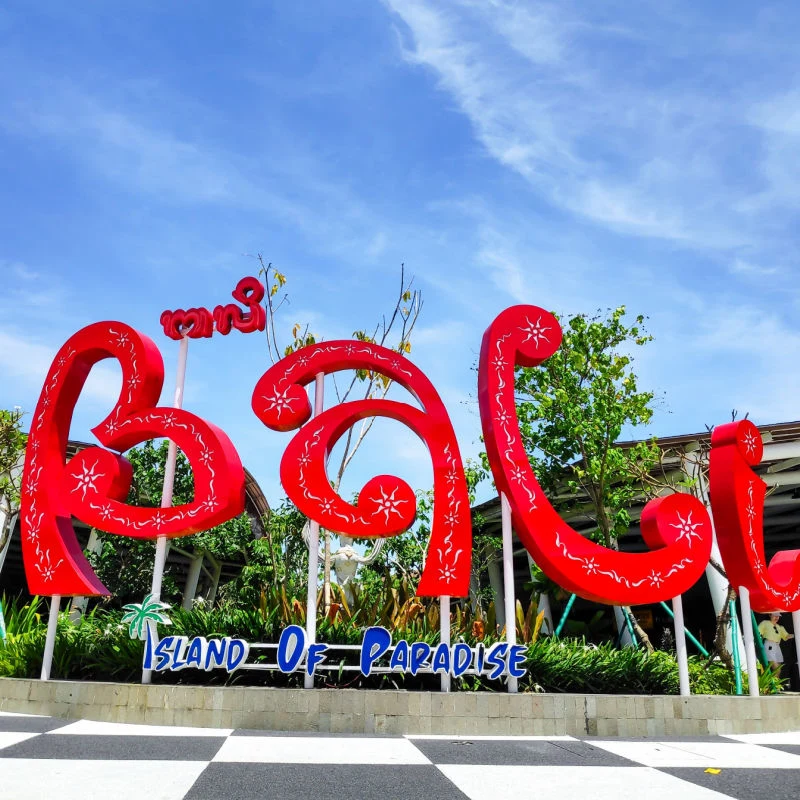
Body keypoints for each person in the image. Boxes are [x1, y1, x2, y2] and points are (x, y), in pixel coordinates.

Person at [758, 611, 795, 678]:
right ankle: (773, 686)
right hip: (769, 645)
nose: (777, 617)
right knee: (776, 668)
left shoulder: (780, 627)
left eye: (778, 616)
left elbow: (786, 636)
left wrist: (796, 634)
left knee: (778, 669)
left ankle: (775, 686)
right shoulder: (765, 623)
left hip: (777, 647)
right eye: (775, 615)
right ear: (770, 615)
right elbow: (757, 632)